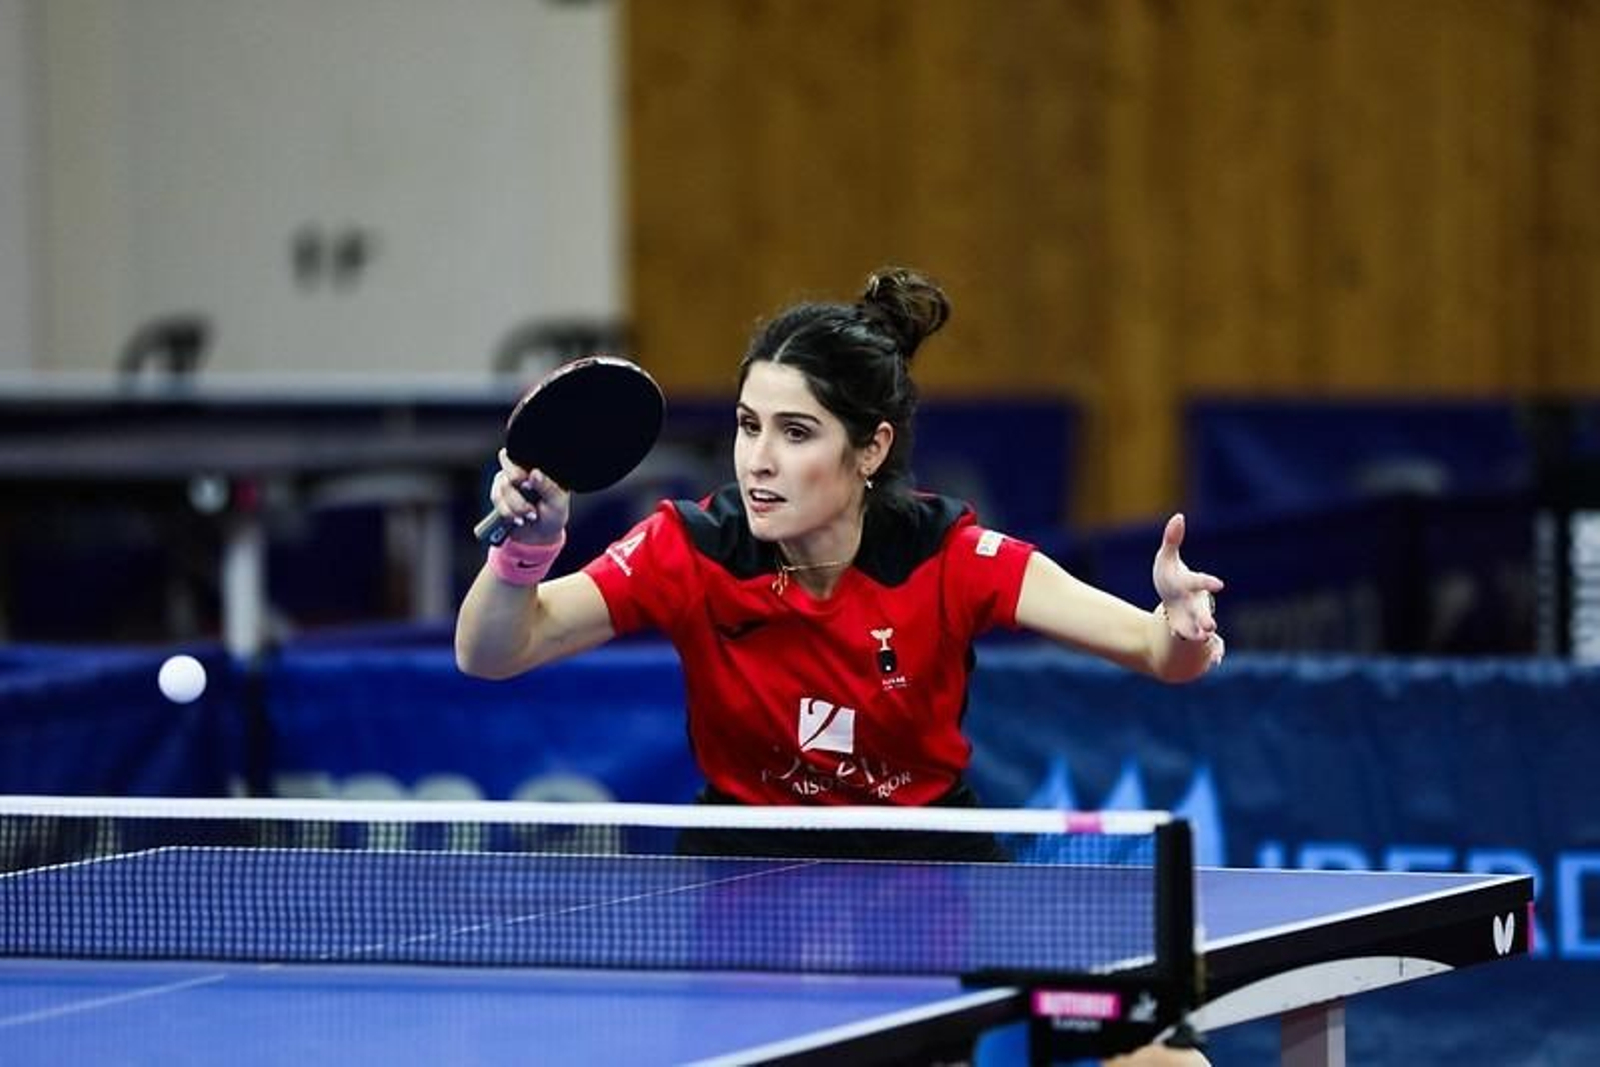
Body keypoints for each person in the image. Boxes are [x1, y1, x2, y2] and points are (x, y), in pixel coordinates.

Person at [456, 267, 1221, 1061]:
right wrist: (528, 554)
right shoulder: (688, 549)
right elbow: (493, 651)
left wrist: (1184, 624)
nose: (758, 460)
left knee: (1161, 1049)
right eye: (749, 425)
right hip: (749, 868)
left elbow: (1159, 653)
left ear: (870, 447)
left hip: (928, 860)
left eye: (796, 432)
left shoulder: (949, 555)